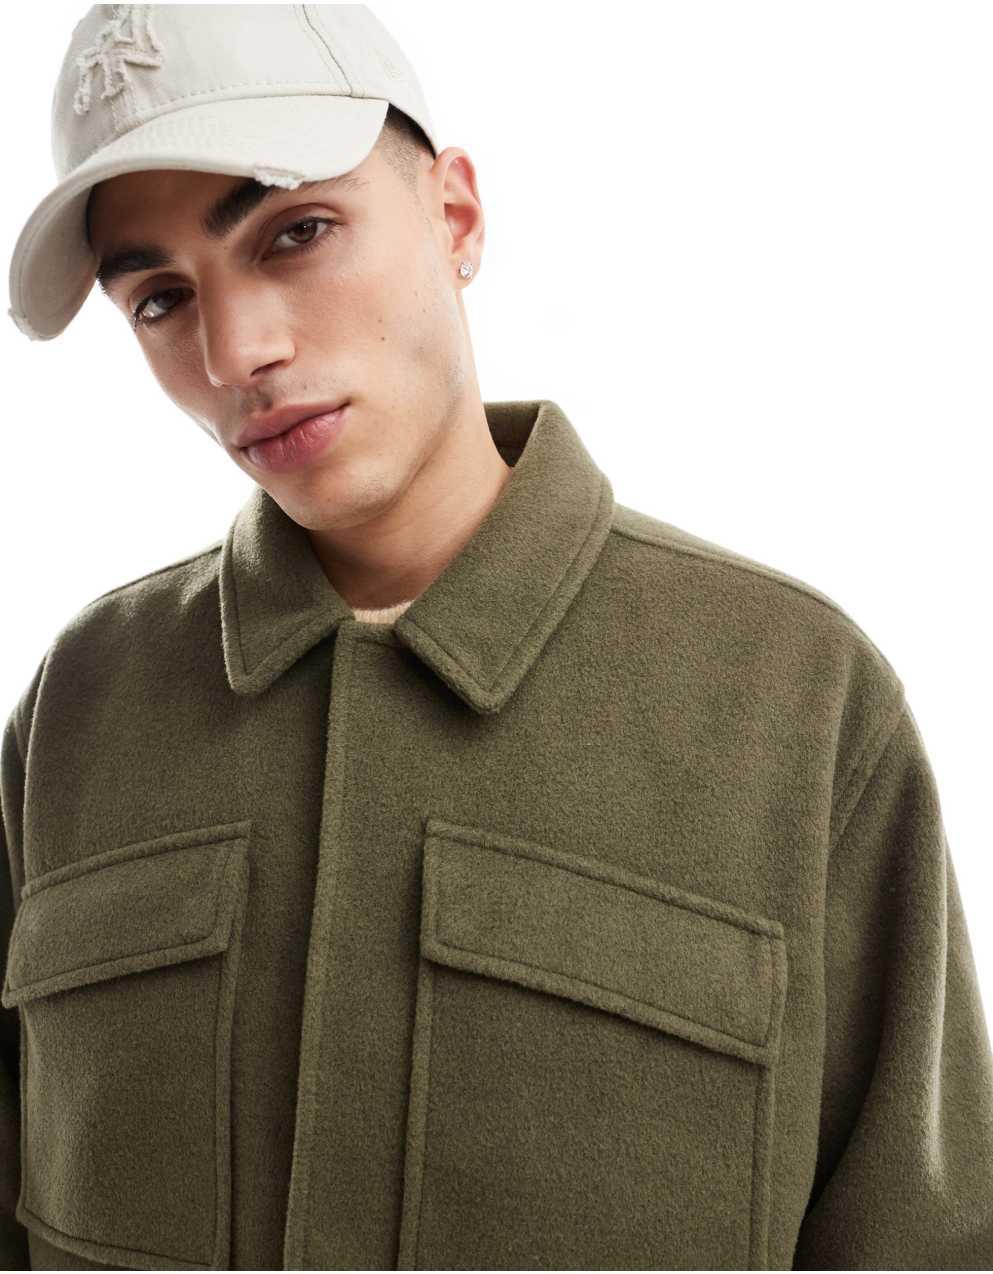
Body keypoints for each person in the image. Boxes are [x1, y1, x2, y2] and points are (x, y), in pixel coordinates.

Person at [2, 5, 991, 1271]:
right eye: (158, 298)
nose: (237, 350)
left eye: (297, 232)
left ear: (456, 216)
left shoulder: (796, 698)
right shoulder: (81, 705)